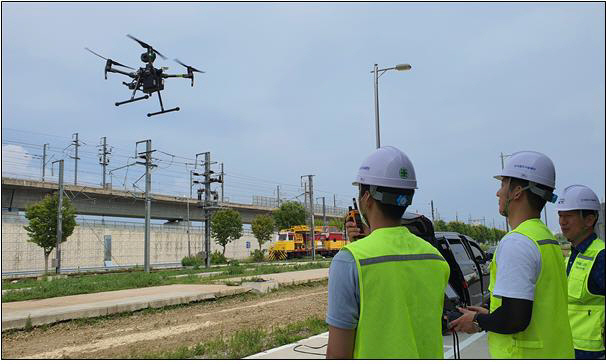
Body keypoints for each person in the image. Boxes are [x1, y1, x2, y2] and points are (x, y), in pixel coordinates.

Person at [325, 146, 450, 359]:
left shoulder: (349, 261)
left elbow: (338, 354)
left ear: (366, 198)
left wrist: (363, 245)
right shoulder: (435, 258)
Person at [450, 150, 574, 359]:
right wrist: (490, 315)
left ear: (517, 191)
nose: (498, 193)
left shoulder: (517, 241)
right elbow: (531, 306)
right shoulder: (545, 238)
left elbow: (516, 318)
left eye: (502, 185)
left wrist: (477, 321)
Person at [557, 184, 605, 359]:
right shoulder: (571, 255)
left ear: (589, 220)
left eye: (568, 216)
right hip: (569, 348)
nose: (562, 222)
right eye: (560, 215)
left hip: (595, 353)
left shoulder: (601, 256)